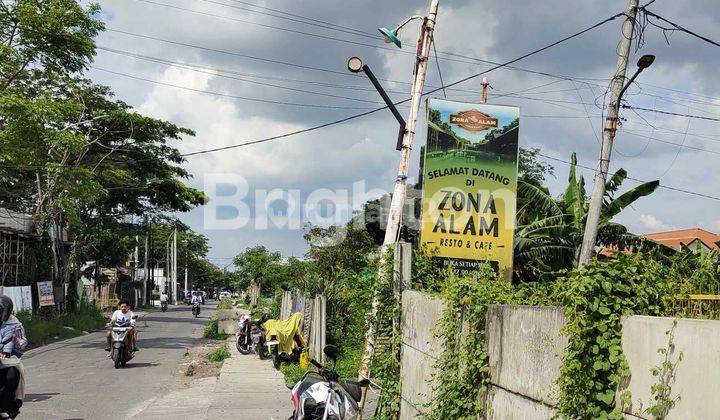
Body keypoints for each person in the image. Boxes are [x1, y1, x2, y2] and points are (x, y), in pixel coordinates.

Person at [0, 296, 24, 418]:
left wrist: (16, 342)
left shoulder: (14, 323)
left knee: (14, 373)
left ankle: (7, 408)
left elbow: (23, 342)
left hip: (7, 360)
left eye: (1, 311)